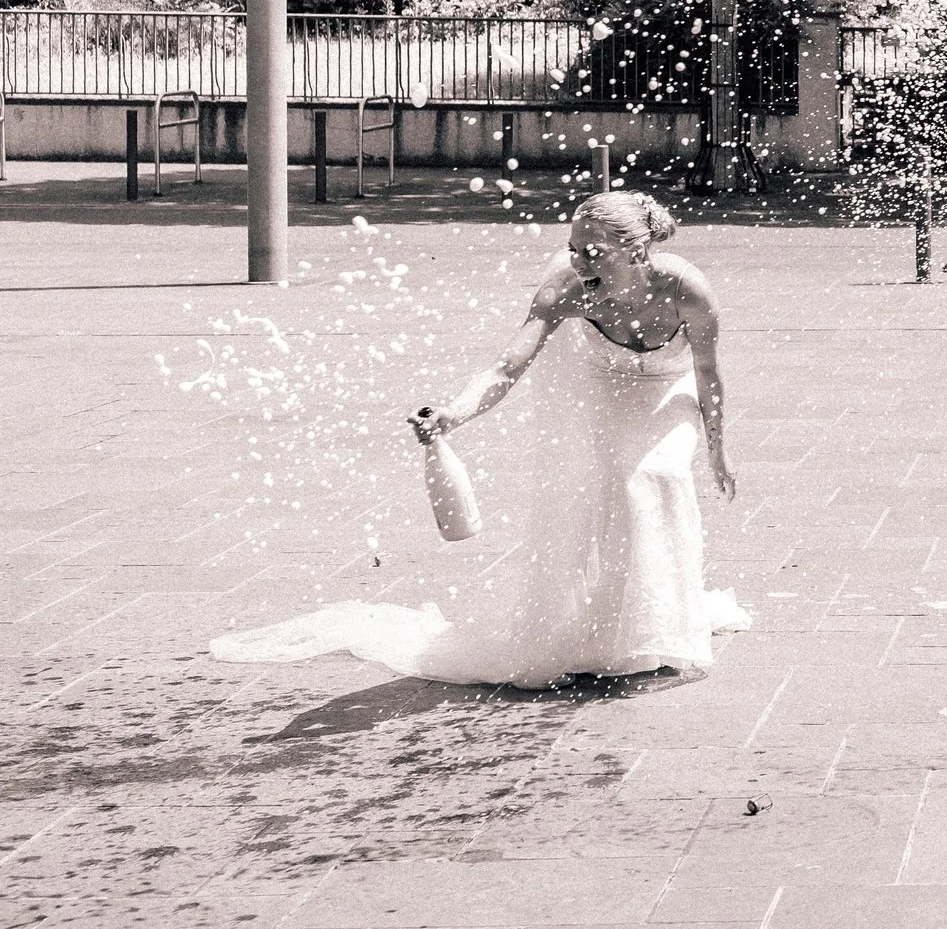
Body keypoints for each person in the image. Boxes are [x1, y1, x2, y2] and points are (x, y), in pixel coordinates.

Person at [209, 191, 748, 688]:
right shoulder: (566, 289)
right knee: (611, 482)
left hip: (667, 385)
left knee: (658, 472)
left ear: (635, 253)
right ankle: (614, 627)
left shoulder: (685, 288)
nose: (579, 263)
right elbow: (506, 368)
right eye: (573, 249)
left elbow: (709, 374)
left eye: (595, 253)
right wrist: (452, 415)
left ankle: (665, 625)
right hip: (602, 383)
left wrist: (718, 451)